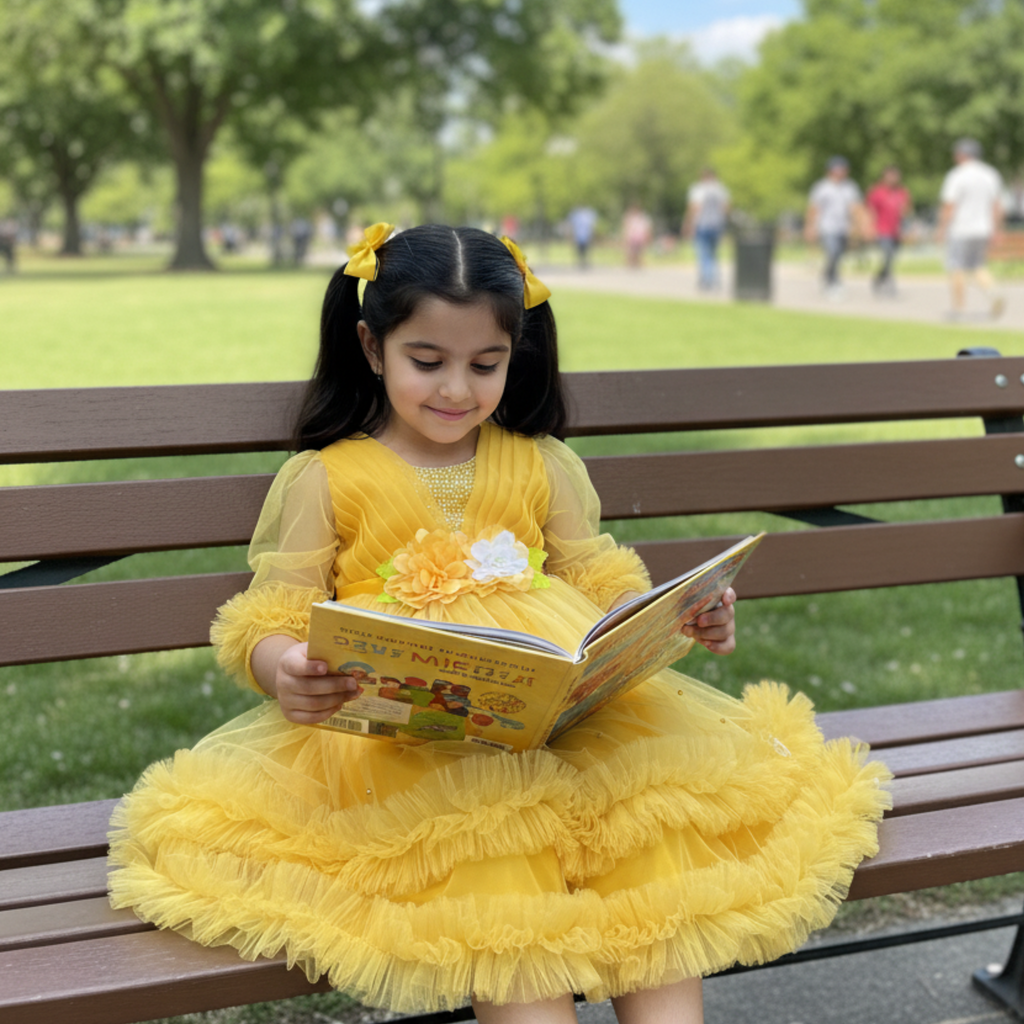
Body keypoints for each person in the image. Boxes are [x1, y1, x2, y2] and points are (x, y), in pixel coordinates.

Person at [108, 223, 891, 1024]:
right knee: (494, 855)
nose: (457, 390)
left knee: (652, 836)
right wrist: (286, 669)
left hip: (568, 725)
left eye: (486, 365)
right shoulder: (326, 477)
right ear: (372, 347)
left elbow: (596, 577)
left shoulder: (538, 460)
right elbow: (270, 612)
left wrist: (672, 618)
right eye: (428, 362)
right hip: (414, 750)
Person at [937, 138, 1005, 320]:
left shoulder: (957, 175)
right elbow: (997, 205)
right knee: (978, 266)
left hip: (961, 229)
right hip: (983, 228)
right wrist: (997, 230)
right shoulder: (991, 174)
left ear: (962, 154)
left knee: (956, 267)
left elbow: (949, 205)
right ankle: (994, 293)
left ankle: (960, 309)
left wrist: (941, 228)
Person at [805, 156, 871, 298]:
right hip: (827, 227)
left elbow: (856, 208)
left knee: (839, 255)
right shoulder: (822, 187)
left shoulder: (850, 187)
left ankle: (829, 275)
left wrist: (861, 225)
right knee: (833, 252)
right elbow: (814, 209)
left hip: (843, 227)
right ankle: (833, 282)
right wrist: (810, 227)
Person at [866, 165, 911, 296]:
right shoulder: (877, 192)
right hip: (882, 229)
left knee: (892, 258)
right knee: (887, 254)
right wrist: (869, 228)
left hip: (896, 230)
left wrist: (906, 227)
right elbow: (870, 211)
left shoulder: (902, 192)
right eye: (890, 175)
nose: (893, 178)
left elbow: (906, 211)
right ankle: (888, 282)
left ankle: (880, 278)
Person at [684, 168, 731, 291]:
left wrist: (688, 223)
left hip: (702, 225)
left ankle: (707, 280)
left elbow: (694, 207)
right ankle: (714, 279)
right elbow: (726, 208)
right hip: (716, 226)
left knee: (703, 254)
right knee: (714, 254)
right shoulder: (720, 189)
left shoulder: (699, 189)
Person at [622, 203, 652, 268]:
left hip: (639, 236)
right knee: (631, 251)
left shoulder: (642, 218)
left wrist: (647, 236)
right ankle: (631, 263)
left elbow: (646, 228)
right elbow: (627, 227)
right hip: (632, 236)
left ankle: (637, 263)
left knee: (639, 252)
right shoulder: (630, 217)